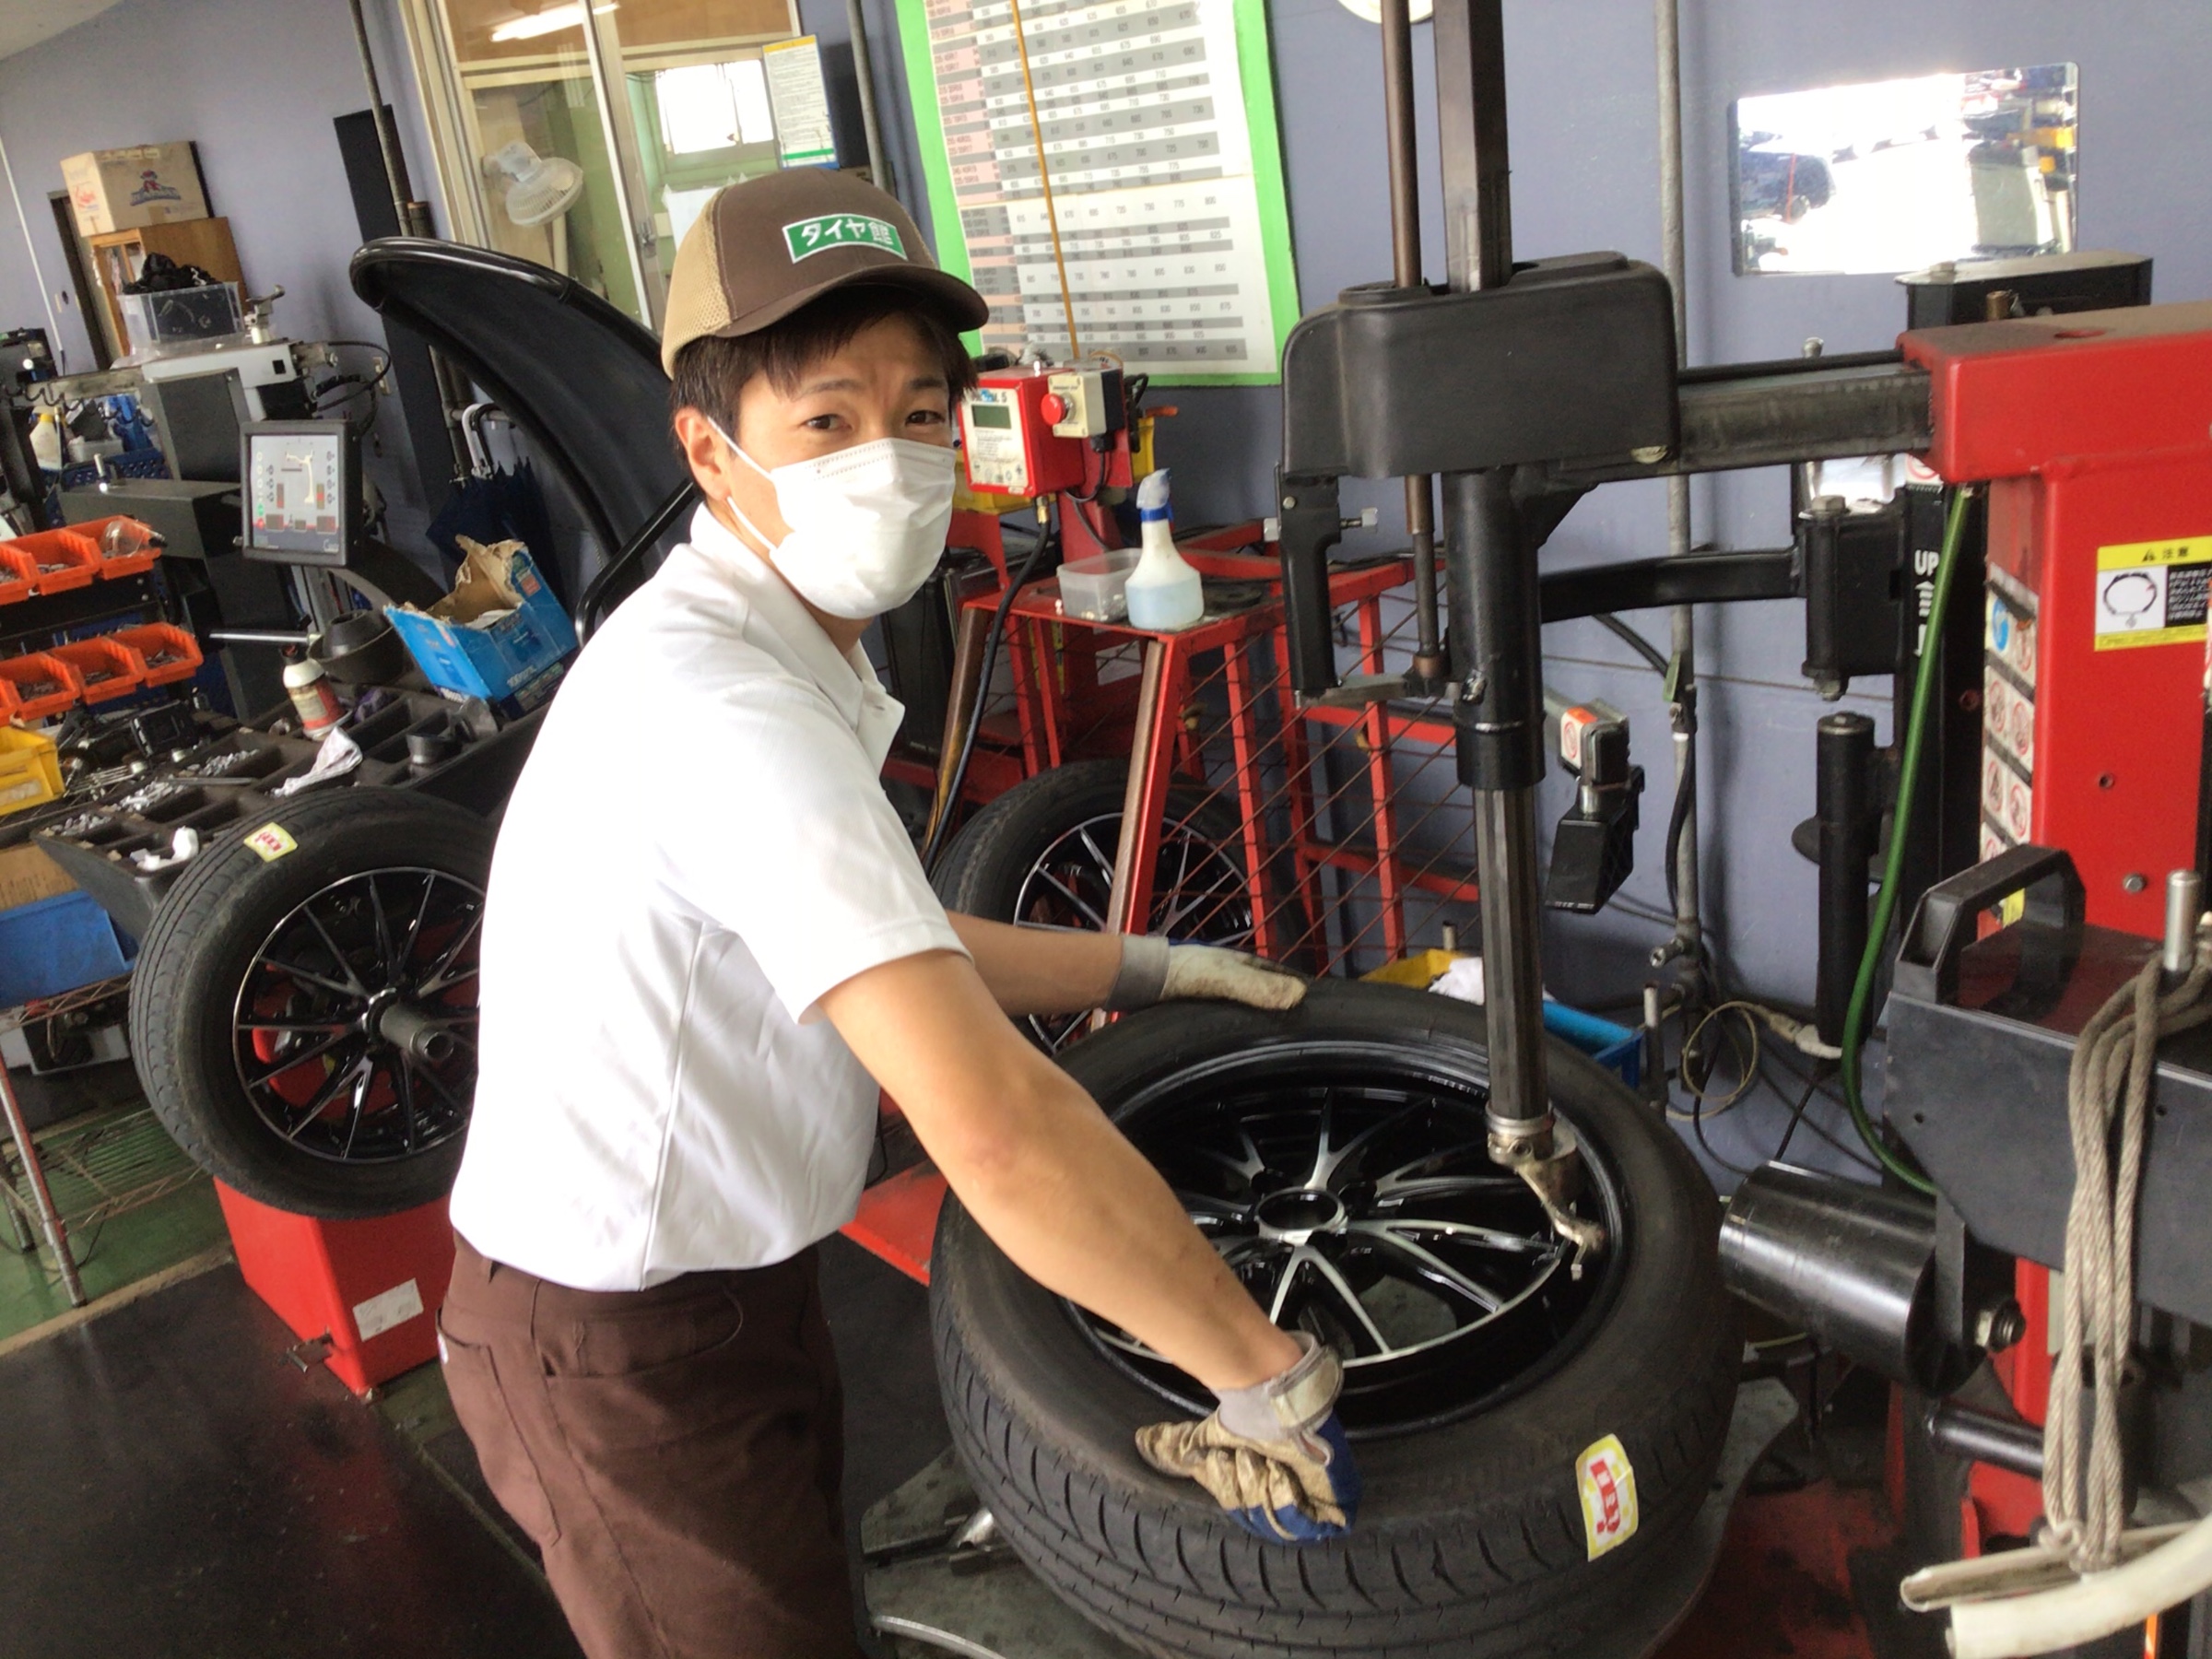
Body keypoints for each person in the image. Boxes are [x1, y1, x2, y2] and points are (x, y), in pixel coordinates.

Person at [435, 169, 1358, 1659]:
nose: (891, 456)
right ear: (711, 450)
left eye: (921, 413)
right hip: (615, 1342)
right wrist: (1259, 1371)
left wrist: (1151, 964)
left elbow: (896, 947)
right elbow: (991, 1126)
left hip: (724, 1296)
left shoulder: (768, 642)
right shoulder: (722, 705)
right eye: (827, 420)